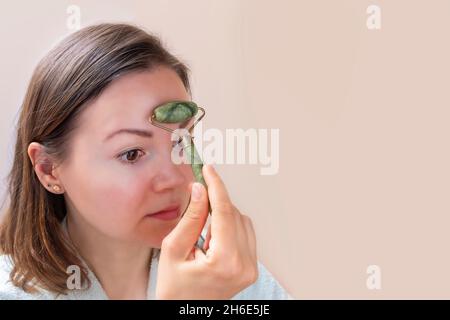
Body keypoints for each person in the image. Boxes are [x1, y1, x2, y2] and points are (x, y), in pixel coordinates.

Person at [0, 23, 292, 300]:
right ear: (49, 170)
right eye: (131, 154)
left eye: (181, 142)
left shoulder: (228, 278)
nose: (175, 179)